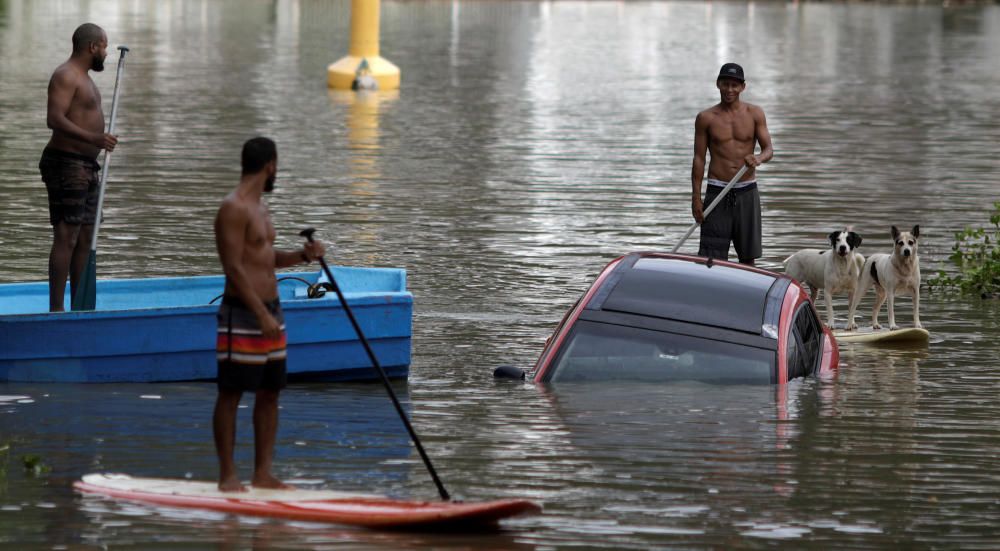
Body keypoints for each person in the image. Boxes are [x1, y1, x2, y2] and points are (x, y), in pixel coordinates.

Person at [213, 137, 325, 492]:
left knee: (270, 392)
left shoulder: (261, 209)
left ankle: (262, 473)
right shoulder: (234, 208)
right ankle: (228, 476)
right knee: (232, 392)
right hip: (244, 313)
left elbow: (265, 259)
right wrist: (259, 313)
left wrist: (302, 256)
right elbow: (233, 268)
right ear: (270, 166)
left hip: (271, 311)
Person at [40, 23, 118, 311]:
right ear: (92, 47)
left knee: (86, 235)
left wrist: (98, 143)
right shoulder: (65, 75)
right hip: (65, 163)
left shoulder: (85, 78)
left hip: (88, 165)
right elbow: (54, 118)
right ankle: (56, 310)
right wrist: (94, 137)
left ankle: (81, 309)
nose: (106, 53)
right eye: (104, 47)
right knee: (67, 235)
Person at [691, 63, 774, 265]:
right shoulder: (706, 118)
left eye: (735, 85)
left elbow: (768, 150)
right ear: (718, 84)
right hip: (717, 192)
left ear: (743, 87)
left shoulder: (755, 114)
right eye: (725, 84)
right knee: (710, 259)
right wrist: (696, 198)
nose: (730, 90)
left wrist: (758, 158)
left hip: (747, 192)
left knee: (748, 258)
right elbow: (699, 159)